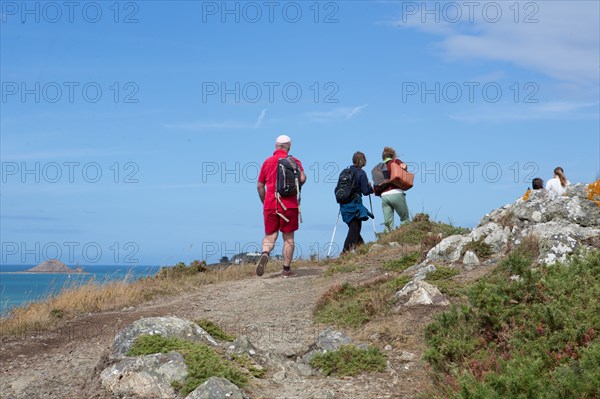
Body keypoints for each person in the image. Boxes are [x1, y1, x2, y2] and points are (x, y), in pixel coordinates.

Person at [256, 135, 306, 277]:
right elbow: (302, 178)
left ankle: (265, 253)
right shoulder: (294, 161)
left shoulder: (267, 162)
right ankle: (286, 270)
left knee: (270, 236)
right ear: (289, 146)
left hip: (271, 204)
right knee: (288, 238)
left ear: (276, 146)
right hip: (289, 205)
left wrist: (265, 202)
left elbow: (260, 185)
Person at [340, 151, 374, 253]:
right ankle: (345, 253)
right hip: (354, 205)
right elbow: (365, 192)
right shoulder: (361, 173)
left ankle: (362, 249)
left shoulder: (345, 172)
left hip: (343, 204)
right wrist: (370, 187)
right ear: (363, 161)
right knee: (355, 229)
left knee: (353, 229)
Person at [374, 146, 410, 232]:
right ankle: (406, 238)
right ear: (392, 155)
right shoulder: (395, 161)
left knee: (388, 224)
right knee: (405, 219)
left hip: (384, 196)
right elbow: (404, 166)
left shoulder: (379, 167)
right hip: (396, 193)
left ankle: (385, 241)